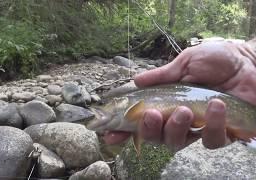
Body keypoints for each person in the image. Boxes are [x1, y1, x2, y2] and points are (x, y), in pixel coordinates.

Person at [103, 39, 256, 151]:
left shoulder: (133, 104)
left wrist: (249, 55)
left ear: (122, 102)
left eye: (102, 105)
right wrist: (249, 55)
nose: (99, 110)